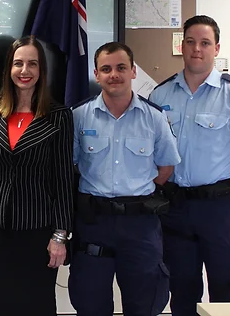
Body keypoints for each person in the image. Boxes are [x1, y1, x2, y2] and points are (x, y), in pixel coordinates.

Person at [149, 15, 230, 316]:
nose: (197, 49)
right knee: (181, 290)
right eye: (190, 42)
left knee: (226, 291)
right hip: (175, 208)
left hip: (220, 209)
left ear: (216, 48)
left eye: (205, 43)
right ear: (182, 46)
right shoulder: (159, 95)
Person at [68, 42, 180, 316]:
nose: (113, 74)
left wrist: (135, 191)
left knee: (144, 304)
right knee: (90, 303)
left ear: (133, 72)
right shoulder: (78, 116)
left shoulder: (154, 117)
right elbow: (71, 165)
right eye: (106, 69)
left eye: (121, 67)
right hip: (94, 223)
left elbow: (166, 168)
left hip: (140, 226)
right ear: (97, 74)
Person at [0, 35, 74, 316]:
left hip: (38, 230)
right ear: (8, 70)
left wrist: (60, 235)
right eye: (18, 64)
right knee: (1, 304)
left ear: (41, 71)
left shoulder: (59, 116)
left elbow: (63, 179)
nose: (25, 71)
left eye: (32, 64)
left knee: (37, 304)